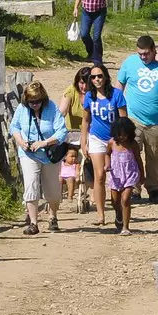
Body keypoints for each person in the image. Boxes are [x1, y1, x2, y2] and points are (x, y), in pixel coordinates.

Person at [117, 36, 158, 201]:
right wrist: (118, 116)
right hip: (133, 118)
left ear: (154, 50)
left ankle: (154, 189)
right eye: (140, 54)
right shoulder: (130, 63)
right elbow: (119, 89)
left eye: (146, 54)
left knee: (155, 156)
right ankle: (134, 188)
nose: (143, 57)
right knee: (132, 153)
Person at [9, 80, 71, 235]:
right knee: (31, 186)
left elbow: (62, 132)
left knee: (53, 192)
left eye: (37, 101)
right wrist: (21, 142)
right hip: (28, 153)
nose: (34, 104)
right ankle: (33, 223)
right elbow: (14, 126)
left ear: (43, 99)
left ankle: (53, 216)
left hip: (49, 155)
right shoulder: (22, 109)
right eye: (31, 102)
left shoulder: (52, 108)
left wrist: (44, 143)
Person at [80, 64, 125, 226]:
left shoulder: (117, 95)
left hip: (115, 139)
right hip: (96, 138)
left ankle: (119, 210)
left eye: (99, 76)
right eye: (93, 77)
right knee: (99, 175)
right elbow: (85, 121)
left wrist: (120, 139)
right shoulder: (89, 97)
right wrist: (83, 142)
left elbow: (123, 120)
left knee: (117, 177)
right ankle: (100, 215)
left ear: (105, 77)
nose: (97, 79)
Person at [61, 66, 93, 211]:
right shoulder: (71, 91)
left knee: (91, 159)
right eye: (81, 82)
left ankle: (92, 190)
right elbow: (62, 110)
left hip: (91, 132)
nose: (84, 86)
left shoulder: (95, 93)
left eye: (86, 83)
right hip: (72, 134)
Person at [105, 115, 144, 235]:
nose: (122, 137)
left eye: (125, 135)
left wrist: (142, 175)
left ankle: (126, 227)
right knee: (115, 201)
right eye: (120, 135)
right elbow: (107, 154)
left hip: (130, 173)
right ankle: (118, 214)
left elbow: (138, 159)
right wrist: (107, 165)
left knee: (126, 199)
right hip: (115, 174)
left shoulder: (133, 144)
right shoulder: (111, 143)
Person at [73, 0, 109, 64]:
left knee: (96, 36)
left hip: (99, 12)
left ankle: (97, 59)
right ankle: (91, 53)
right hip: (86, 11)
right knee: (84, 34)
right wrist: (76, 7)